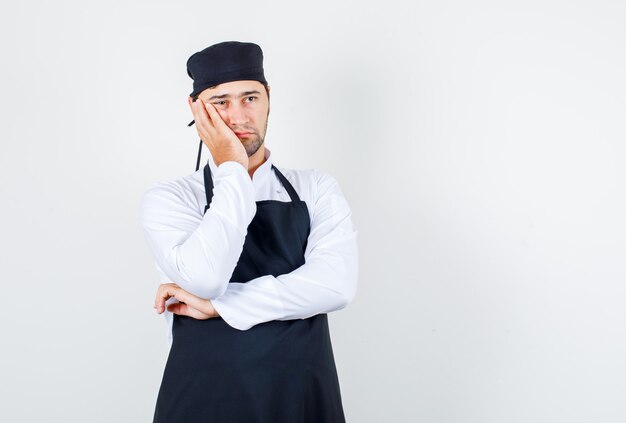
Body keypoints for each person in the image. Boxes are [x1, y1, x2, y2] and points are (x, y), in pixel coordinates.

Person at [140, 41, 358, 422]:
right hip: (203, 400)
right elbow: (207, 278)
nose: (238, 116)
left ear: (269, 99)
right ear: (197, 109)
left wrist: (221, 306)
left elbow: (336, 285)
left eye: (250, 98)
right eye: (220, 102)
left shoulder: (316, 188)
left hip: (301, 398)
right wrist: (233, 170)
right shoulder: (172, 198)